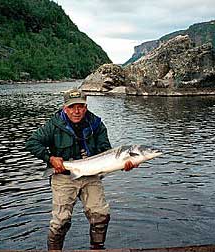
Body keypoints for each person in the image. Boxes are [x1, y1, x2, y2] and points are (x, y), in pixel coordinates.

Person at [26, 88, 137, 250]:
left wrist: (123, 164)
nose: (76, 111)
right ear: (65, 108)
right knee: (61, 221)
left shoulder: (96, 124)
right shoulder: (53, 125)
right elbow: (32, 143)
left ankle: (97, 248)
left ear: (86, 106)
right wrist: (50, 158)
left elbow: (106, 151)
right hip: (63, 176)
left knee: (101, 215)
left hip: (91, 175)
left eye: (80, 106)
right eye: (72, 107)